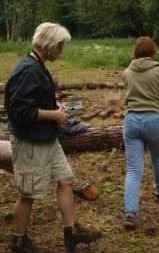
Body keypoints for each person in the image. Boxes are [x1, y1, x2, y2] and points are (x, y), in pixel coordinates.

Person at [4, 22, 102, 252]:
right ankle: (18, 241)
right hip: (31, 142)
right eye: (59, 45)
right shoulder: (29, 69)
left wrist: (52, 105)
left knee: (66, 181)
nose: (62, 50)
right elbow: (19, 111)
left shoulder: (39, 64)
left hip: (46, 138)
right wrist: (54, 115)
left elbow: (34, 100)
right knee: (28, 193)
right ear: (47, 45)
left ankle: (72, 232)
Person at [122, 36, 159, 229]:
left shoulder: (127, 72)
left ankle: (130, 212)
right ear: (153, 51)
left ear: (136, 52)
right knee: (158, 158)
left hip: (131, 121)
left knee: (134, 169)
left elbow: (127, 96)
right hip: (153, 119)